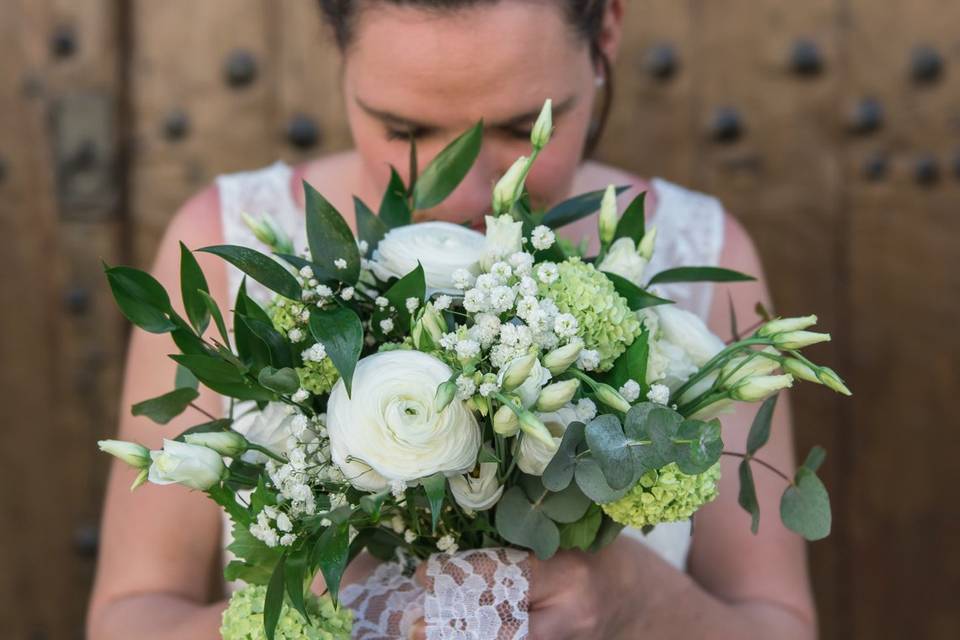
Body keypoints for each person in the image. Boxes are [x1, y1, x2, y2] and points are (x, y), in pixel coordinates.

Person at [86, 1, 817, 638]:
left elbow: (776, 623)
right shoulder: (230, 250)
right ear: (336, 45)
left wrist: (630, 603)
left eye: (517, 128)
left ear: (609, 32)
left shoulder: (701, 252)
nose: (462, 189)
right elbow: (130, 615)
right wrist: (324, 601)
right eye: (404, 127)